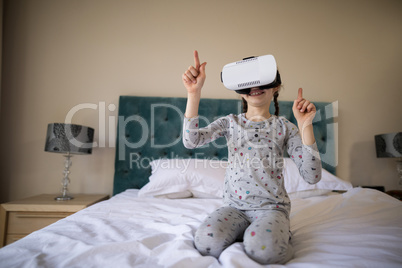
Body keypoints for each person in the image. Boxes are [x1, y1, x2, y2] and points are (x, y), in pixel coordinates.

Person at [182, 51, 322, 264]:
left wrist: (305, 126)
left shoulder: (285, 127)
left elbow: (312, 177)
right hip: (233, 207)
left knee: (264, 250)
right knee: (205, 243)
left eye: (262, 80)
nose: (255, 86)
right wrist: (194, 93)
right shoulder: (229, 123)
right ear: (240, 91)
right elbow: (191, 141)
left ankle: (271, 233)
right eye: (247, 82)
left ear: (275, 86)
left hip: (271, 209)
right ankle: (245, 232)